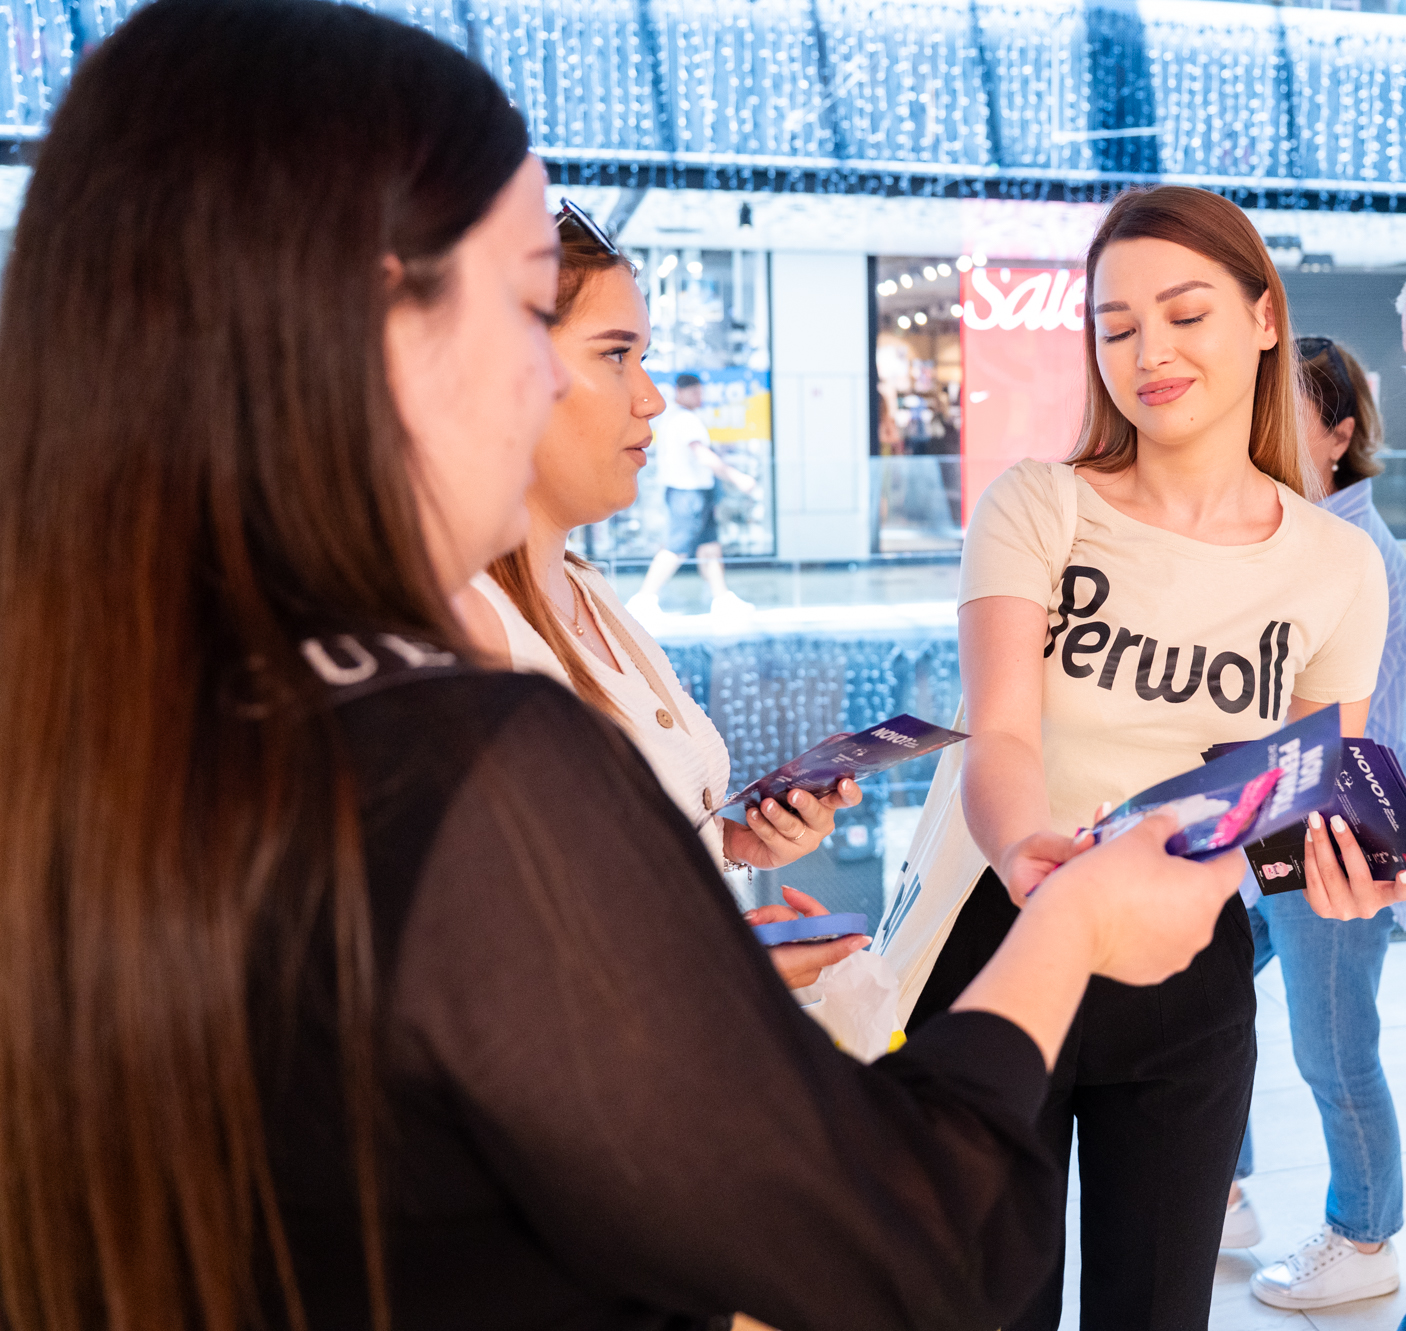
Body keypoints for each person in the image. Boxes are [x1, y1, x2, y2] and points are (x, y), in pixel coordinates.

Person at [0, 5, 1261, 1326]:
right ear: (372, 325)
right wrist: (1071, 924)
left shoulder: (134, 714)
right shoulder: (459, 762)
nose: (564, 386)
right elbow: (907, 1248)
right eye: (533, 311)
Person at [916, 185, 1406, 1331]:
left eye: (1185, 314)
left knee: (1154, 1307)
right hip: (1005, 930)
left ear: (1263, 317)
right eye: (1116, 325)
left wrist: (1343, 867)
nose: (1150, 352)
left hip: (1187, 960)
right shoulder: (1037, 505)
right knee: (984, 1302)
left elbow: (1301, 787)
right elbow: (1001, 731)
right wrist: (1029, 856)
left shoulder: (1337, 566)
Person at [456, 201, 864, 988]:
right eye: (616, 355)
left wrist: (734, 845)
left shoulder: (587, 589)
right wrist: (728, 975)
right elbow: (497, 968)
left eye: (644, 359)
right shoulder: (465, 627)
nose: (652, 399)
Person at [1227, 338, 1406, 1312]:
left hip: (1339, 834)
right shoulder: (1294, 538)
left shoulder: (1353, 554)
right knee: (1207, 1001)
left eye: (1284, 415)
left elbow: (1355, 728)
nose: (1256, 432)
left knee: (1334, 1048)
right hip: (1278, 819)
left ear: (1341, 434)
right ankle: (1223, 1189)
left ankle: (1364, 1235)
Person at [627, 372, 756, 618]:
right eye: (694, 392)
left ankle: (722, 598)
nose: (699, 397)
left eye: (700, 391)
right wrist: (736, 477)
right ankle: (644, 599)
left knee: (709, 547)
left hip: (694, 491)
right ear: (680, 392)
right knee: (676, 547)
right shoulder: (685, 420)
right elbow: (702, 454)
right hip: (688, 493)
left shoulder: (676, 418)